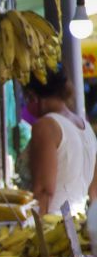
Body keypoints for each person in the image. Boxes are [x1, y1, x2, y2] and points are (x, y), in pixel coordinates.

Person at [25, 66, 97, 215]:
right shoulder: (86, 128)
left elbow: (44, 189)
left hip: (55, 224)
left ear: (33, 96)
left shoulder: (46, 126)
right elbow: (94, 190)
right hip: (80, 221)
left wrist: (39, 233)